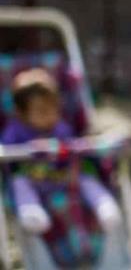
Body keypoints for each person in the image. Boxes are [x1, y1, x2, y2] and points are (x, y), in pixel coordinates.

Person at [4, 68, 122, 234]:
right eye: (41, 110)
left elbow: (72, 146)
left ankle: (104, 206)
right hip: (34, 179)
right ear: (22, 114)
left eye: (54, 109)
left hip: (62, 177)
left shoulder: (61, 128)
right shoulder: (15, 131)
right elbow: (5, 152)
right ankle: (31, 213)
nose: (50, 115)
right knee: (18, 183)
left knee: (86, 177)